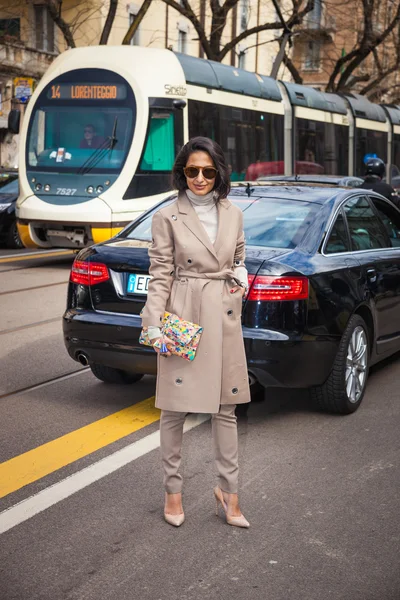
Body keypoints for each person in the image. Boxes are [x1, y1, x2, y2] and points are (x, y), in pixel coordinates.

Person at [141, 136, 251, 528]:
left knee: (226, 408)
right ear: (182, 173)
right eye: (192, 171)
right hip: (183, 315)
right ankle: (173, 492)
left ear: (218, 172)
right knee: (174, 408)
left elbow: (238, 254)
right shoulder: (167, 216)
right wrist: (152, 323)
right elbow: (159, 274)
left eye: (207, 171)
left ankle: (230, 492)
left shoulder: (234, 213)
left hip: (222, 316)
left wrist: (240, 276)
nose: (200, 178)